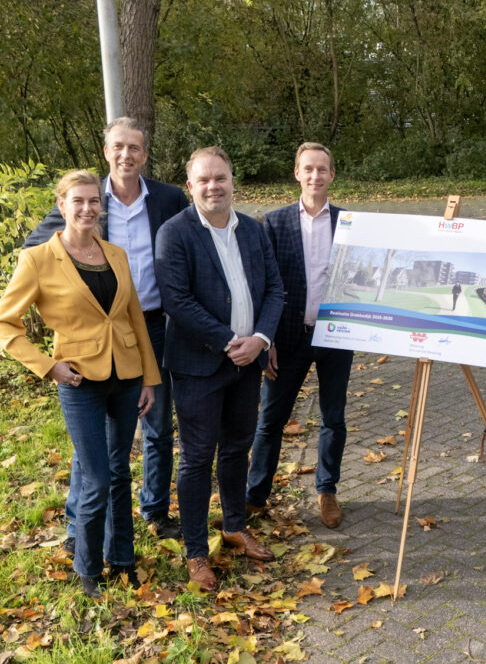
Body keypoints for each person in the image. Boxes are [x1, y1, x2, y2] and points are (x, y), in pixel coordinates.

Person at [25, 117, 189, 545]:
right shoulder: (86, 198)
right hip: (97, 336)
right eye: (118, 146)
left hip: (154, 325)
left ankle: (154, 510)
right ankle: (78, 524)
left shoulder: (169, 198)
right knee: (92, 441)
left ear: (145, 155)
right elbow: (37, 250)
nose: (126, 155)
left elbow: (191, 244)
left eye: (134, 147)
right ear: (106, 152)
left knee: (158, 426)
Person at [0, 170, 161, 598]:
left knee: (120, 471)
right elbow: (5, 323)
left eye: (94, 201)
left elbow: (134, 317)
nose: (88, 208)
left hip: (126, 376)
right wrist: (47, 366)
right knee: (96, 478)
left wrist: (149, 376)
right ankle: (88, 566)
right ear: (62, 205)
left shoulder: (115, 253)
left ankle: (123, 559)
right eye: (78, 201)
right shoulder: (39, 259)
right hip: (78, 381)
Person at [155, 147, 284, 592]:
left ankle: (233, 526)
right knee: (196, 458)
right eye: (204, 180)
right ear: (190, 186)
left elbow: (275, 290)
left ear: (233, 181)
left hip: (248, 363)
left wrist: (261, 339)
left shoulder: (252, 229)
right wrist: (231, 341)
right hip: (199, 365)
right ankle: (196, 551)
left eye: (221, 178)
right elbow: (177, 301)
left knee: (236, 448)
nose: (214, 187)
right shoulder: (174, 233)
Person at [248, 143, 353, 529]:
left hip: (335, 336)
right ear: (296, 173)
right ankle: (255, 496)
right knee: (270, 421)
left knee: (333, 418)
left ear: (332, 175)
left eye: (322, 169)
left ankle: (327, 490)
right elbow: (263, 285)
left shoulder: (349, 223)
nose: (315, 176)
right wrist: (267, 340)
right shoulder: (274, 223)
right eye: (308, 169)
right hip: (288, 339)